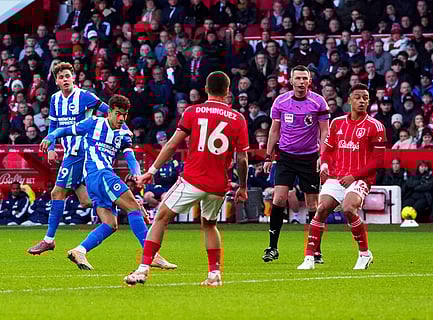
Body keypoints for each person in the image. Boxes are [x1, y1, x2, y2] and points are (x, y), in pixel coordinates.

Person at [124, 71, 249, 287]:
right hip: (219, 184)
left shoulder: (193, 112)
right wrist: (243, 187)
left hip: (193, 179)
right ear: (228, 91)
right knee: (210, 224)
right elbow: (243, 159)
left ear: (206, 89)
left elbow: (172, 144)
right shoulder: (238, 118)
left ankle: (143, 269)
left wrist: (150, 171)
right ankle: (214, 274)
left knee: (161, 217)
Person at [39, 94, 176, 270]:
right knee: (134, 207)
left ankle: (79, 251)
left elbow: (130, 157)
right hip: (100, 174)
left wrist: (137, 174)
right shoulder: (93, 123)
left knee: (110, 224)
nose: (121, 118)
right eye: (118, 113)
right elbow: (64, 130)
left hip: (97, 181)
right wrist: (50, 137)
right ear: (109, 112)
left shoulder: (125, 133)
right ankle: (152, 255)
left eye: (124, 115)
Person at [297, 83, 386, 270]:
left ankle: (364, 254)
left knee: (348, 208)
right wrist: (326, 164)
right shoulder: (337, 123)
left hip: (360, 178)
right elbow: (327, 150)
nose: (362, 101)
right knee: (321, 210)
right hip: (337, 176)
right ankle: (309, 258)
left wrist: (354, 176)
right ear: (349, 100)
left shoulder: (376, 127)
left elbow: (377, 162)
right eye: (358, 97)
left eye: (365, 98)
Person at [27, 62, 110, 255]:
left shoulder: (85, 96)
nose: (65, 79)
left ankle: (49, 240)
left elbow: (109, 112)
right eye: (61, 77)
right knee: (86, 200)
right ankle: (122, 201)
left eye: (68, 76)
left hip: (81, 152)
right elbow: (53, 125)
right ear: (56, 81)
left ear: (74, 77)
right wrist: (51, 147)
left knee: (57, 193)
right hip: (69, 151)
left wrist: (105, 132)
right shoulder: (55, 99)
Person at [262, 65, 329, 263]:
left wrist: (322, 155)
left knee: (313, 205)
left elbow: (325, 131)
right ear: (291, 81)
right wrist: (268, 156)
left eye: (304, 78)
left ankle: (315, 250)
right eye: (298, 78)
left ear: (309, 81)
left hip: (309, 158)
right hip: (286, 157)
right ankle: (272, 247)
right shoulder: (281, 101)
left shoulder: (318, 102)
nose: (301, 82)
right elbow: (274, 131)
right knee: (278, 198)